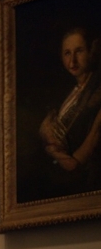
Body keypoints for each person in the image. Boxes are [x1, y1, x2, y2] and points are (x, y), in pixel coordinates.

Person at [38, 27, 101, 188]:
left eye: (79, 51)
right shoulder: (69, 94)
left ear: (91, 51)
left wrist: (50, 144)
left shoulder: (97, 93)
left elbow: (74, 164)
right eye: (67, 53)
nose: (72, 61)